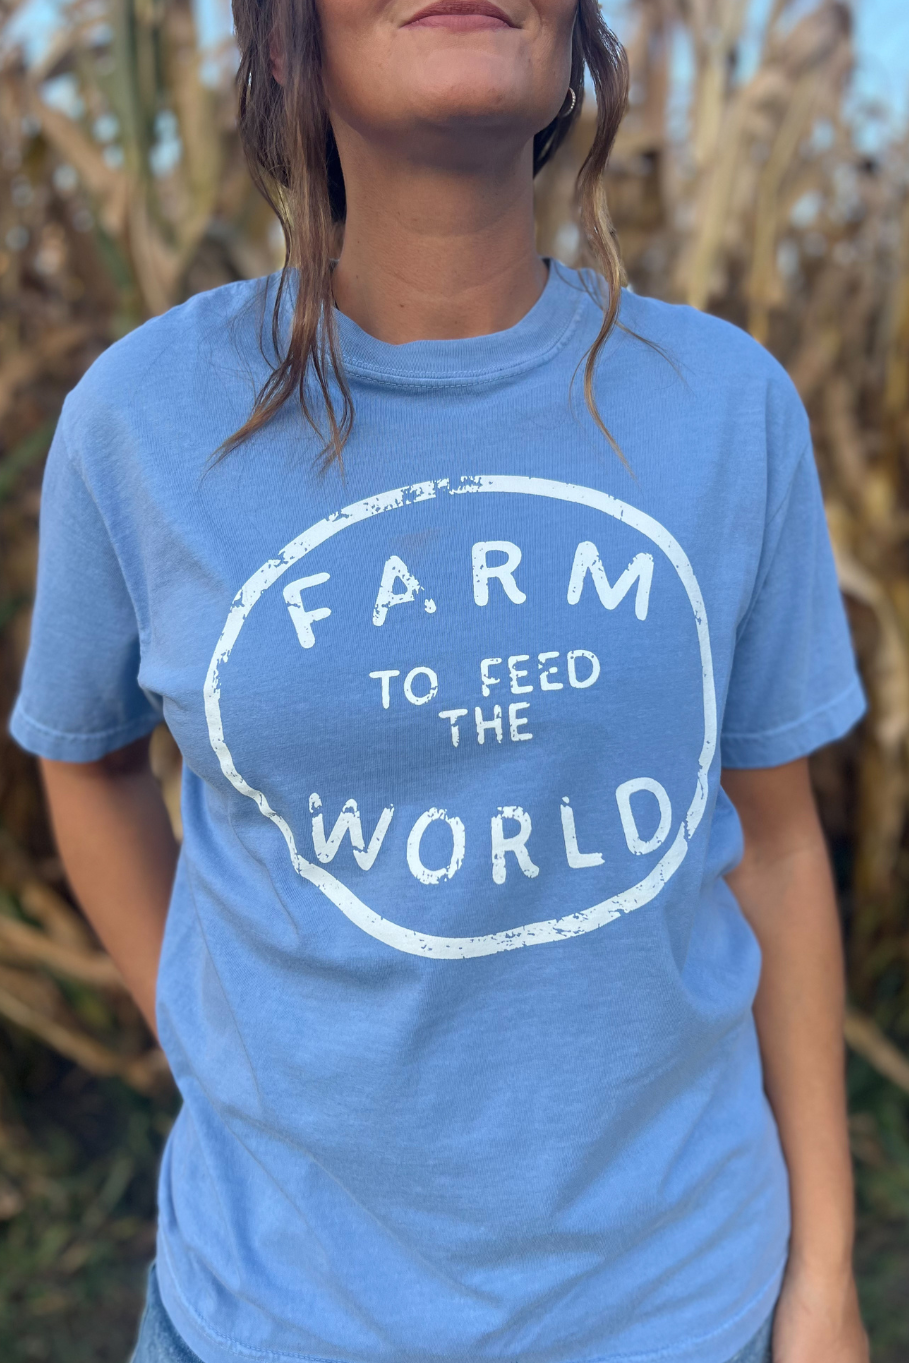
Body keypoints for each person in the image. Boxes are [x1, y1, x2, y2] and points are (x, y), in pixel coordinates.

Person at [9, 0, 871, 1360]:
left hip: (679, 1309)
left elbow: (775, 845)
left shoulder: (727, 408)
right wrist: (210, 1027)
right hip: (272, 1314)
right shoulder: (142, 420)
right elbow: (88, 759)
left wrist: (824, 1275)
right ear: (284, 42)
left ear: (579, 42)